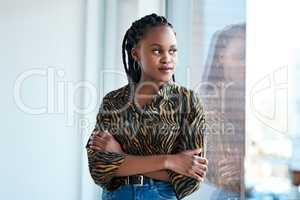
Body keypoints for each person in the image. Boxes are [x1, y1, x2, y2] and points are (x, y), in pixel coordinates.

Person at [86, 13, 208, 200]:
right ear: (136, 53)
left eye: (172, 51)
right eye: (157, 51)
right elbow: (99, 167)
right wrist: (170, 161)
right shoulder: (113, 101)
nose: (167, 58)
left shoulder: (188, 102)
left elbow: (190, 177)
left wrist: (120, 156)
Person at [201, 24, 245, 199]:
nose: (247, 63)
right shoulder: (210, 107)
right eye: (241, 56)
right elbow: (220, 174)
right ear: (221, 58)